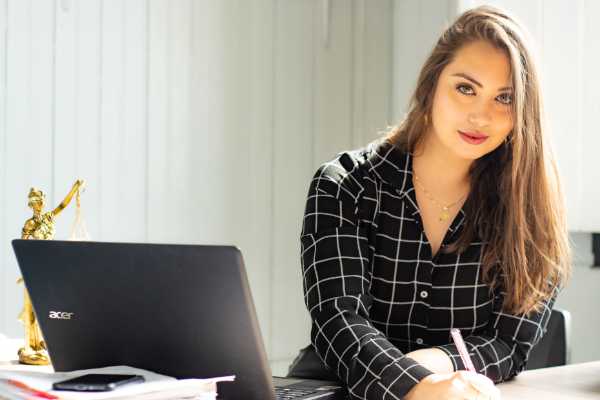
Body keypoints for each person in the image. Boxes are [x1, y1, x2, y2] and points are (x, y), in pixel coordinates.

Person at [299, 5, 571, 400]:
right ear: (431, 86)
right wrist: (415, 385)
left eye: (504, 98)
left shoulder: (533, 209)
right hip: (335, 392)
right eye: (466, 89)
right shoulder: (345, 185)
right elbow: (337, 319)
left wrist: (434, 366)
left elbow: (508, 344)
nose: (480, 115)